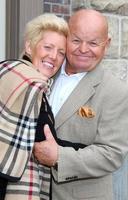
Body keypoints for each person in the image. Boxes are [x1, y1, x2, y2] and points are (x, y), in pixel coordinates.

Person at [34, 9, 128, 200]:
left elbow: (111, 154)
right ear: (66, 37)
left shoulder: (117, 92)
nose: (84, 49)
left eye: (93, 43)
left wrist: (59, 157)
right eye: (76, 40)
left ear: (107, 44)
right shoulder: (44, 71)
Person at [0, 13, 68, 200]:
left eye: (61, 52)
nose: (54, 56)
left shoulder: (9, 71)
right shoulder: (30, 84)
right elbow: (43, 140)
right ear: (29, 46)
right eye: (48, 47)